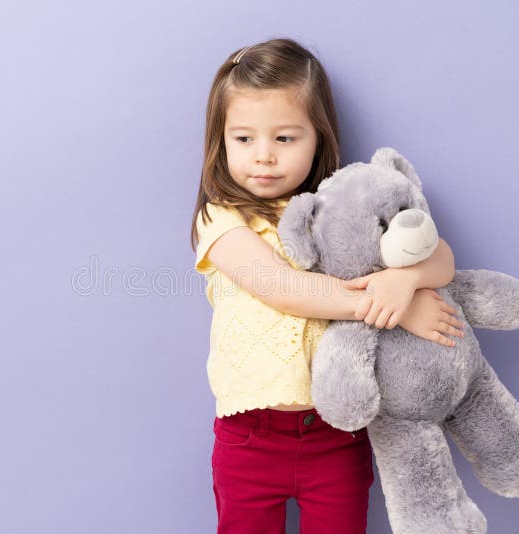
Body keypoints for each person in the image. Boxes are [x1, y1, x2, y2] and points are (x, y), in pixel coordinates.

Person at [190, 38, 466, 534]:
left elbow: (441, 256)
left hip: (336, 434)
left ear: (318, 137)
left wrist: (406, 281)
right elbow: (281, 288)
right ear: (221, 140)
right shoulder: (223, 217)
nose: (264, 157)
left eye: (285, 138)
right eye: (244, 139)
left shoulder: (339, 207)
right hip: (249, 437)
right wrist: (391, 308)